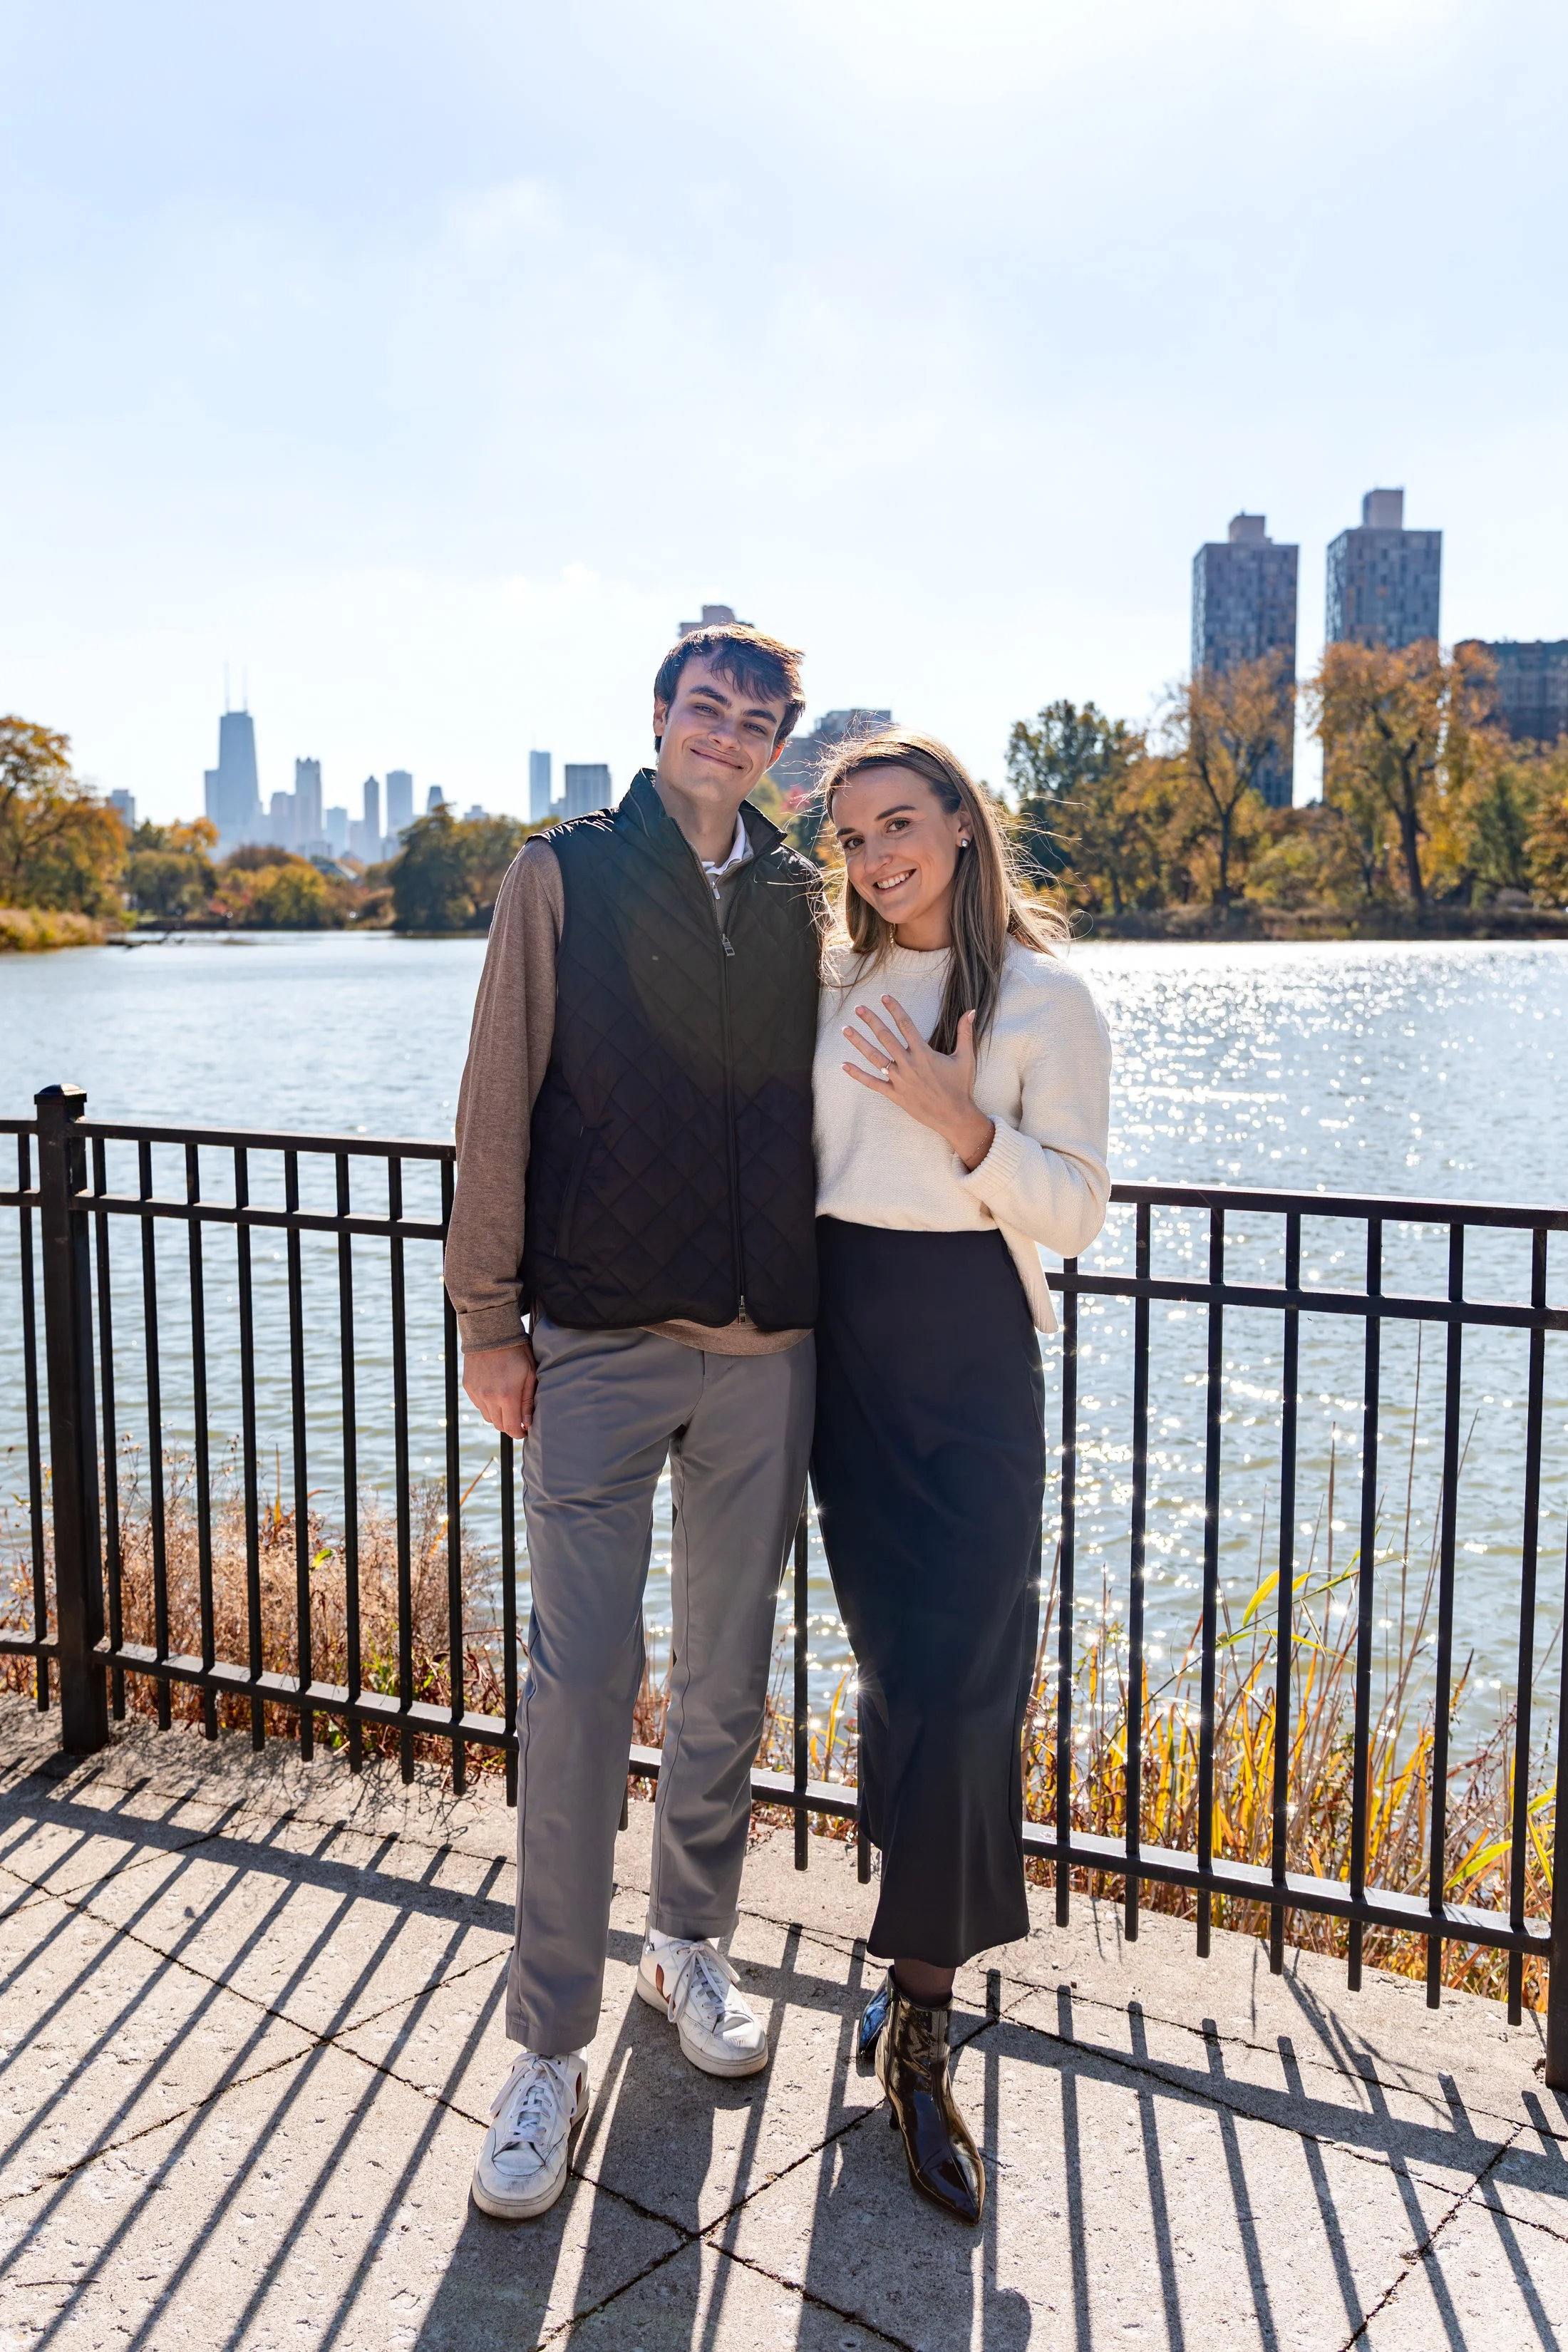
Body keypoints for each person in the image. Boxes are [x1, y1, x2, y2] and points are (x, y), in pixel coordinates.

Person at [445, 622, 825, 2221]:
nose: (724, 737)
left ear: (779, 743)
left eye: (754, 720)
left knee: (726, 1685)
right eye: (703, 709)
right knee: (582, 1686)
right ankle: (544, 2045)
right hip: (595, 1343)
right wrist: (486, 1319)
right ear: (657, 718)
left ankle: (686, 1948)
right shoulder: (562, 873)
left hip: (766, 1354)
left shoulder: (810, 897)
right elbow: (495, 1096)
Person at [810, 728, 1110, 2225]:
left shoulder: (1045, 996)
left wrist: (958, 1117)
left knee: (973, 1676)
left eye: (902, 823)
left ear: (960, 828)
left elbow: (1074, 1212)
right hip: (842, 1352)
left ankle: (919, 2026)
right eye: (854, 834)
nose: (879, 855)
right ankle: (904, 1950)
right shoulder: (830, 985)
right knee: (896, 1674)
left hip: (971, 1356)